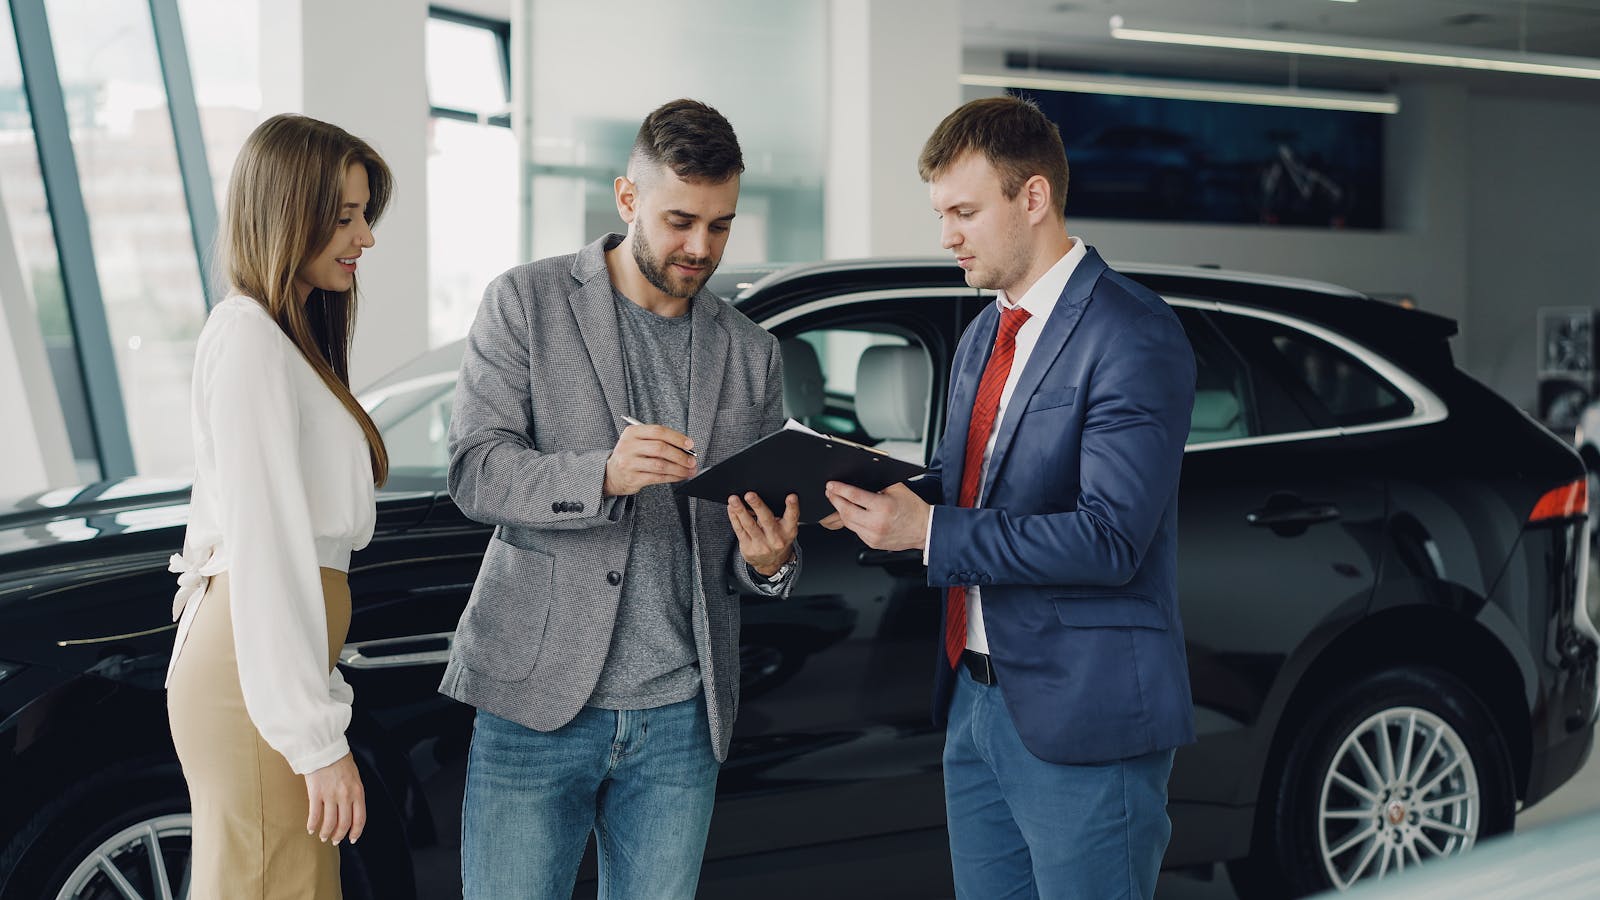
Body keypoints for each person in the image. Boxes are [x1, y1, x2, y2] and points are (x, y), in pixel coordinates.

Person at [822, 96, 1197, 899]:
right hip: (976, 704)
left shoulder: (1132, 332)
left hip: (1083, 718)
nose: (947, 235)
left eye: (964, 211)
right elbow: (968, 490)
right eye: (941, 214)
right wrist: (875, 495)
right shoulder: (985, 333)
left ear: (1033, 198)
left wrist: (929, 531)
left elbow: (1108, 540)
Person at [441, 97, 800, 900]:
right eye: (680, 220)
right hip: (537, 704)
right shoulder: (524, 303)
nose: (700, 247)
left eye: (721, 225)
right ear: (628, 197)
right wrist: (600, 474)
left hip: (681, 715)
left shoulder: (752, 353)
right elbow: (475, 471)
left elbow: (755, 535)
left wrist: (770, 562)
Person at [166, 113, 392, 899]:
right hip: (252, 672)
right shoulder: (251, 339)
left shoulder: (281, 339)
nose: (364, 236)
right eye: (343, 217)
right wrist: (315, 739)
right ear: (285, 212)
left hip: (267, 665)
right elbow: (266, 549)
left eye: (365, 214)